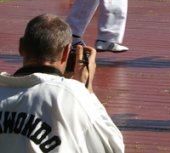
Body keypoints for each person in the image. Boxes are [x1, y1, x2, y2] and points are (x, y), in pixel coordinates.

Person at [0, 14, 124, 152]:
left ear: (21, 47)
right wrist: (87, 90)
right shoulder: (71, 95)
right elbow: (114, 147)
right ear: (66, 52)